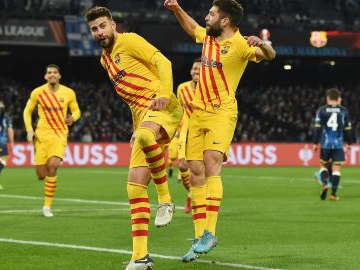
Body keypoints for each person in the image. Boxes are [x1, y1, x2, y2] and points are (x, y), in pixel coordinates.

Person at [165, 0, 276, 262]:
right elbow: (192, 27)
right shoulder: (208, 38)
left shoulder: (240, 44)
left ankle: (210, 233)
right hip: (197, 113)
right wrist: (176, 9)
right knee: (194, 172)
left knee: (211, 163)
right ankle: (198, 236)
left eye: (211, 14)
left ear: (224, 21)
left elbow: (270, 56)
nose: (206, 17)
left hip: (221, 113)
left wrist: (262, 43)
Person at [86, 6, 183, 269]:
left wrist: (165, 93)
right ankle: (140, 257)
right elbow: (132, 100)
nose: (99, 32)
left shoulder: (129, 40)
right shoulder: (105, 61)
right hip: (143, 118)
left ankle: (165, 199)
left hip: (164, 105)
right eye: (94, 29)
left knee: (144, 138)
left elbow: (164, 62)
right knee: (134, 186)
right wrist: (137, 126)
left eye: (103, 26)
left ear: (113, 25)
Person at [23, 64, 81, 218]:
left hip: (59, 135)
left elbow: (76, 110)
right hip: (41, 137)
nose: (52, 75)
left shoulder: (68, 93)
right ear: (45, 76)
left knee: (53, 165)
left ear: (59, 76)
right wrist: (29, 129)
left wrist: (73, 118)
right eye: (49, 73)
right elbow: (27, 111)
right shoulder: (38, 92)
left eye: (55, 72)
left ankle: (47, 206)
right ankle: (46, 187)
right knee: (41, 174)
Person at [312, 88, 351, 201]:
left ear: (328, 98)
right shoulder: (344, 111)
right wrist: (349, 143)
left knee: (323, 166)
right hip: (338, 144)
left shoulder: (321, 110)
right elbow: (347, 129)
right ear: (338, 98)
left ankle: (324, 183)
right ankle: (333, 194)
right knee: (336, 169)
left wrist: (315, 143)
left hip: (326, 144)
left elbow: (317, 129)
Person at [176, 58, 201, 214]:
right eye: (194, 68)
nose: (196, 71)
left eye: (199, 69)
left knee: (201, 172)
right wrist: (177, 129)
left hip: (203, 134)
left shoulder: (210, 88)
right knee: (183, 166)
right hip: (185, 133)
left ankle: (199, 204)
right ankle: (190, 194)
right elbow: (179, 110)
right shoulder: (182, 88)